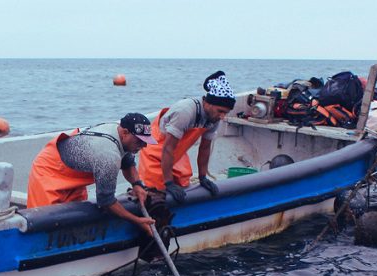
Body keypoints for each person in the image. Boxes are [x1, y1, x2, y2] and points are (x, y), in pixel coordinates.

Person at [27, 113, 157, 235]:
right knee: (44, 224)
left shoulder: (119, 132)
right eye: (140, 141)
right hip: (50, 169)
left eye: (146, 141)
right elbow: (106, 201)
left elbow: (127, 161)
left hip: (75, 174)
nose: (144, 146)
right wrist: (136, 220)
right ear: (125, 132)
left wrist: (137, 184)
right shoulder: (108, 156)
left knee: (74, 221)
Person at [138, 70, 236, 203]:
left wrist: (203, 177)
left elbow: (205, 148)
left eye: (226, 113)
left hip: (177, 150)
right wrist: (168, 182)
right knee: (157, 189)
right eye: (220, 111)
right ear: (208, 103)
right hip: (158, 148)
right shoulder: (185, 112)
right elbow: (167, 148)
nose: (222, 117)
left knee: (183, 183)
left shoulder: (214, 118)